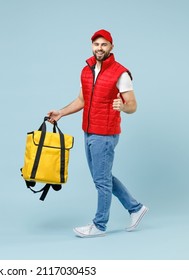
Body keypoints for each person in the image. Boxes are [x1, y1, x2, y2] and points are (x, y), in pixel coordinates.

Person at [47, 29, 148, 237]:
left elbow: (133, 106)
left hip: (105, 134)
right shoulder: (86, 70)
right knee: (102, 177)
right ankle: (136, 208)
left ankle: (99, 225)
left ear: (111, 47)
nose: (99, 48)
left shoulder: (121, 73)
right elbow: (81, 101)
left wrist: (123, 106)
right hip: (88, 131)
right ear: (92, 46)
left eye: (104, 44)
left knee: (101, 180)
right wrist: (61, 113)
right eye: (96, 44)